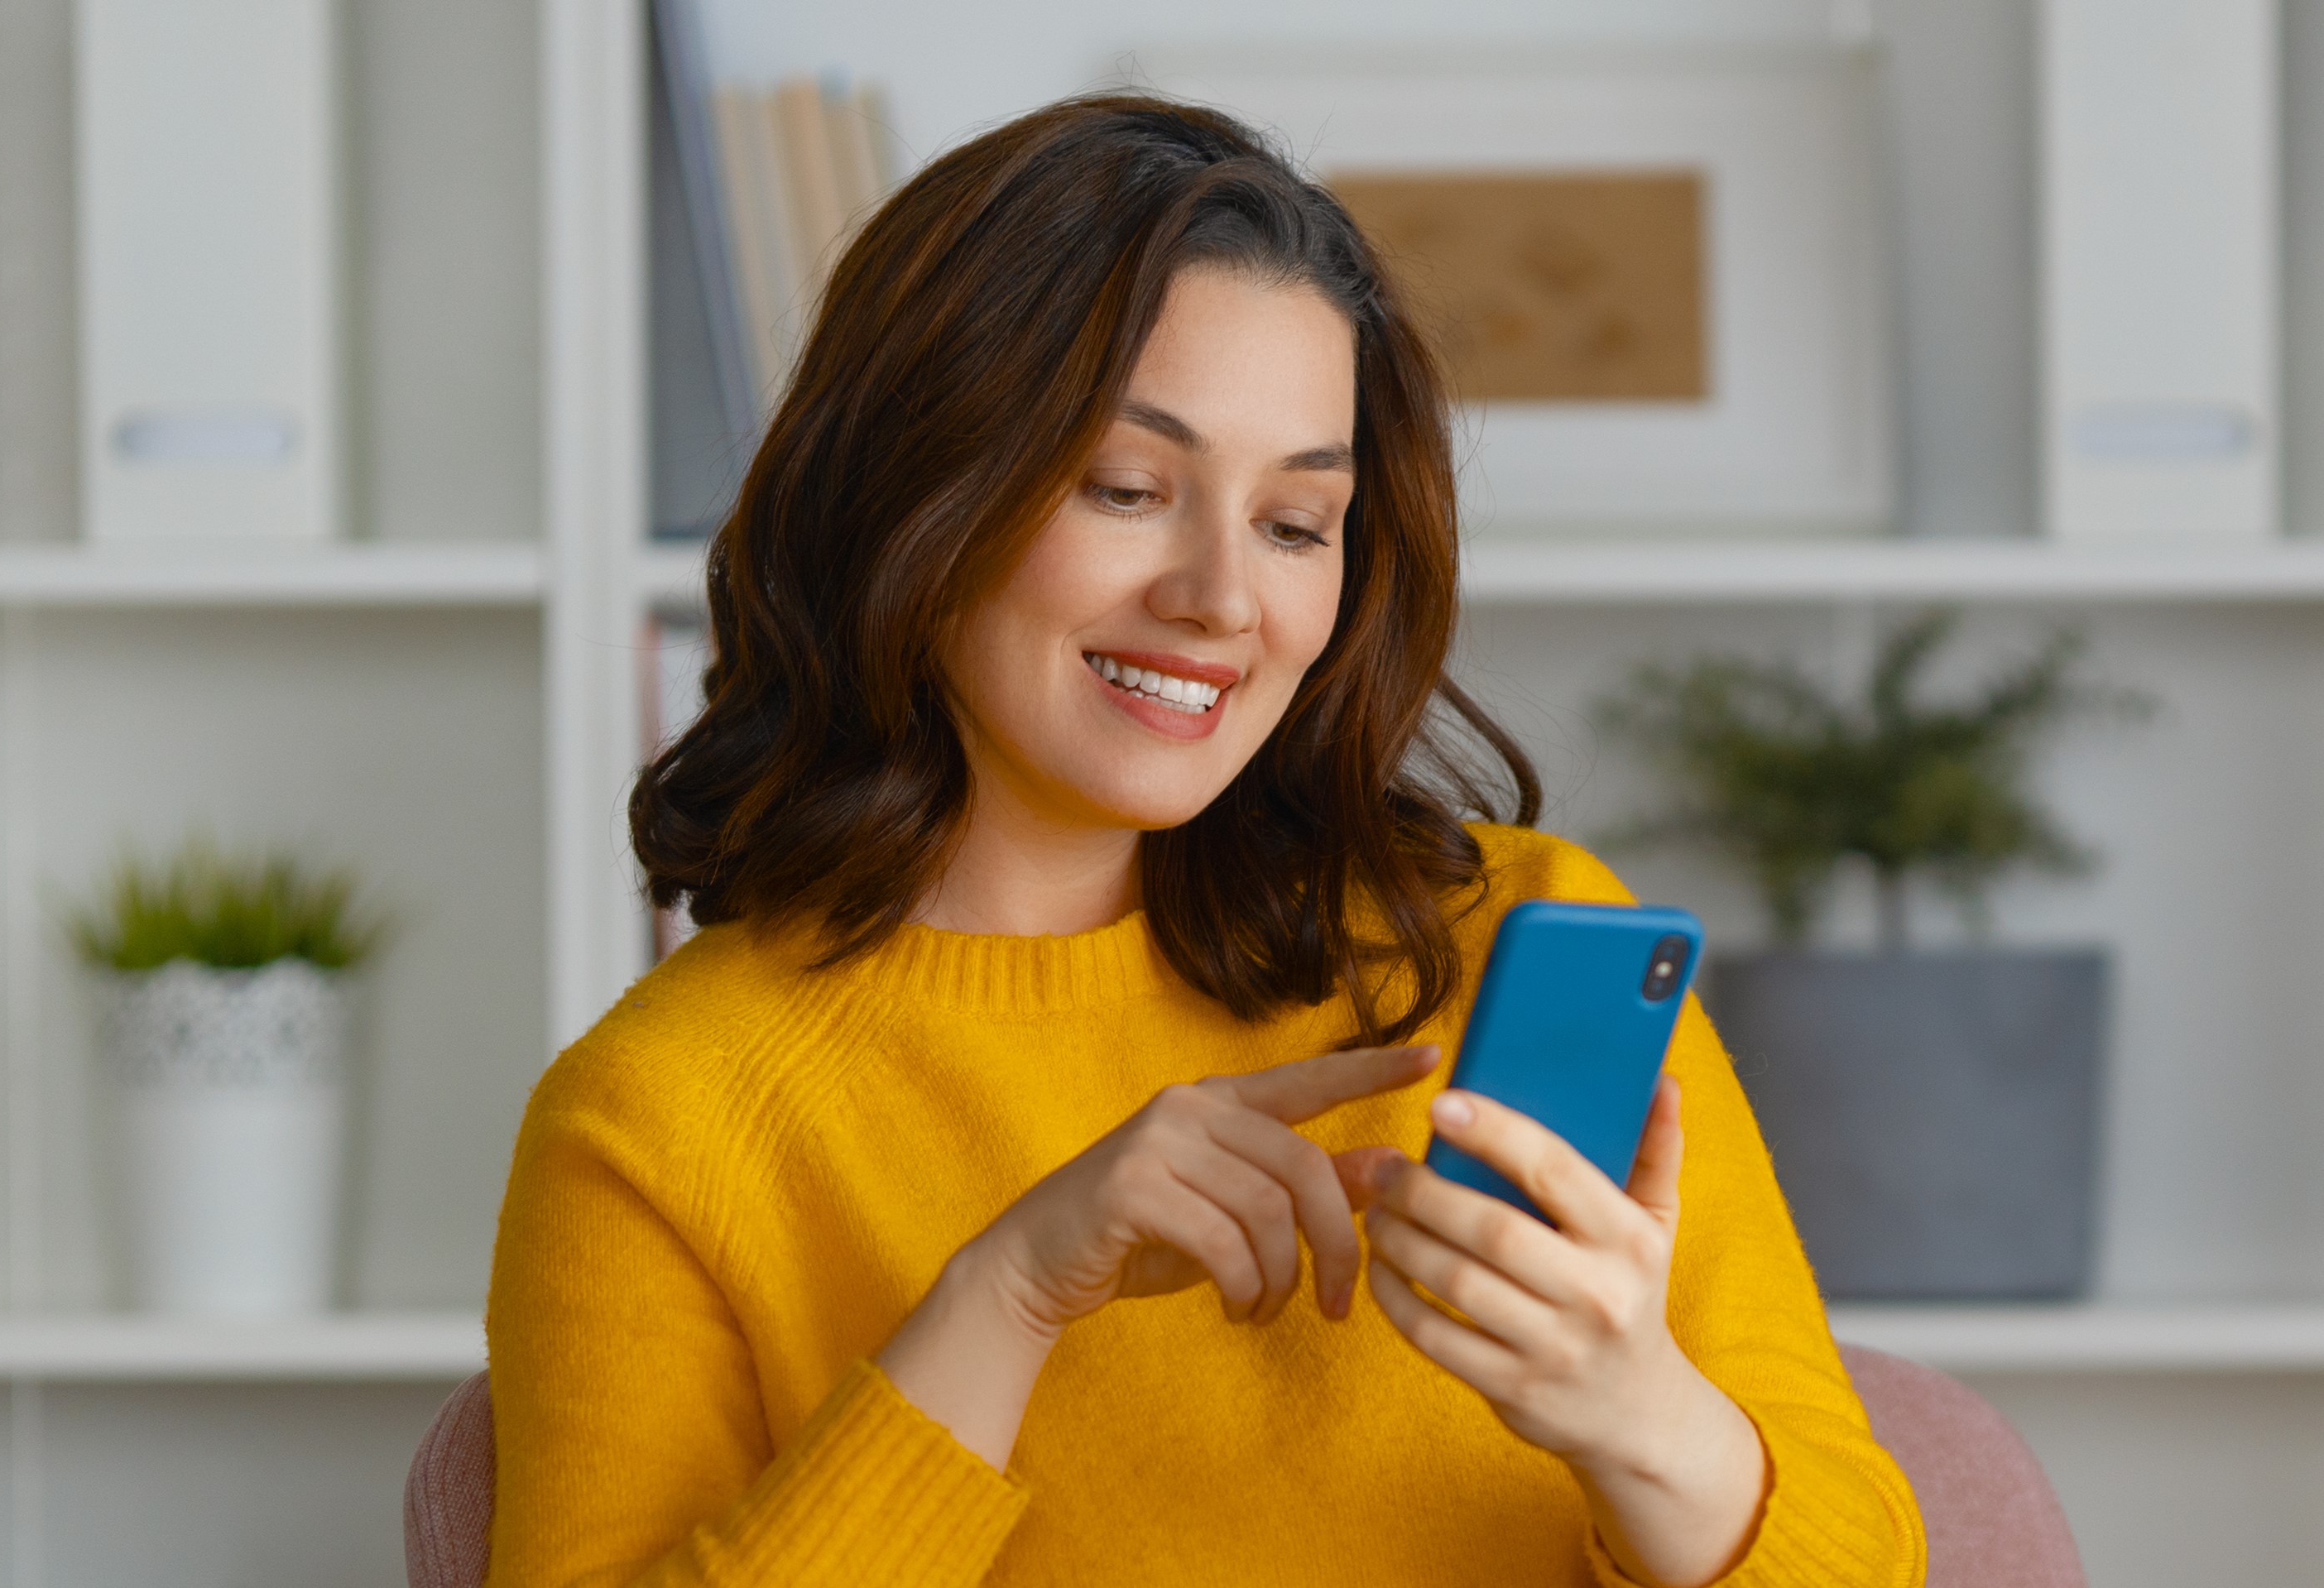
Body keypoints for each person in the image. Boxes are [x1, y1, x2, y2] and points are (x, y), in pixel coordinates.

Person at [484, 95, 1924, 1587]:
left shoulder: (1501, 940)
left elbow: (1863, 1556)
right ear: (909, 489)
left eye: (1298, 523)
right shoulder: (660, 1122)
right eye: (1126, 489)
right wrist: (1007, 1299)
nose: (1225, 598)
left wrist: (1638, 1421)